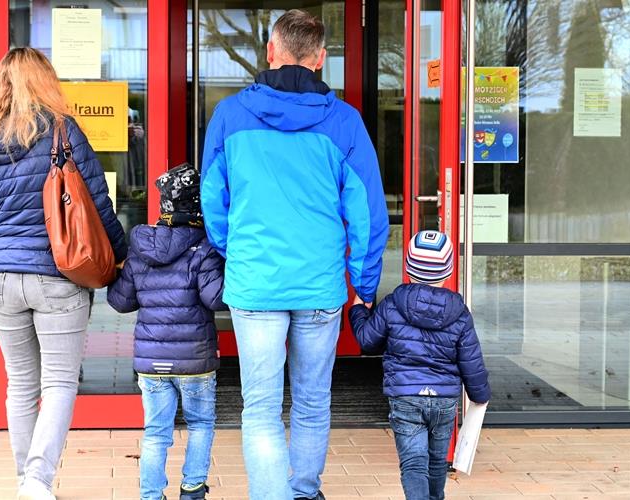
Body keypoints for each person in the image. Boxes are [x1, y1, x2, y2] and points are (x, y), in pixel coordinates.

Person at [200, 9, 389, 500]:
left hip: (255, 285)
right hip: (319, 289)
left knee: (260, 407)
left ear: (271, 50)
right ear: (321, 59)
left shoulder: (229, 116)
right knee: (311, 403)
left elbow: (212, 203)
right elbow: (368, 217)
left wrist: (233, 251)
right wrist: (364, 288)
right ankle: (303, 492)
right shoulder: (345, 123)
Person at [0, 47, 127, 500]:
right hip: (57, 275)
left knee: (20, 382)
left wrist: (0, 252)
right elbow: (96, 205)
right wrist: (117, 253)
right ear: (45, 81)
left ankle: (25, 481)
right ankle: (36, 480)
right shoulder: (61, 130)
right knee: (57, 382)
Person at [108, 163, 226, 500]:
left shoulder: (141, 248)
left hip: (151, 362)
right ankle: (192, 489)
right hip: (195, 362)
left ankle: (150, 495)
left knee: (156, 432)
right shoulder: (204, 249)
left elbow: (120, 301)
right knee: (201, 424)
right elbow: (215, 299)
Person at [349, 230, 491, 500]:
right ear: (448, 271)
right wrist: (480, 395)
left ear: (408, 268)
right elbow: (471, 360)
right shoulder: (460, 313)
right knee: (437, 463)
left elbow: (368, 342)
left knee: (413, 464)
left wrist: (358, 310)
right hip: (444, 400)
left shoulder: (392, 304)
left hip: (406, 398)